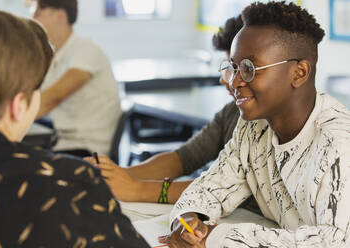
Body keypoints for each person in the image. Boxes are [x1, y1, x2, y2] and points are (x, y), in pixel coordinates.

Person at [163, 2, 350, 247]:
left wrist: (218, 237)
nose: (234, 81)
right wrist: (187, 220)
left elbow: (336, 241)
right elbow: (210, 186)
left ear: (299, 73)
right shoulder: (253, 127)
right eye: (232, 67)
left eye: (249, 68)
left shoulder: (338, 143)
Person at [0, 9, 149, 247]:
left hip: (85, 147)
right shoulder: (69, 184)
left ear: (60, 14)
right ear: (18, 105)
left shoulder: (85, 52)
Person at [87, 15, 243, 204]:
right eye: (227, 67)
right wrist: (118, 176)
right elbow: (183, 158)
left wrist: (136, 188)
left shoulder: (270, 126)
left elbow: (220, 188)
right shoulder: (232, 113)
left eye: (239, 69)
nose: (225, 79)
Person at [31, 0, 121, 157]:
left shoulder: (87, 51)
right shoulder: (54, 56)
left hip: (87, 151)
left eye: (38, 13)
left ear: (60, 16)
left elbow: (50, 99)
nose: (32, 19)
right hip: (61, 142)